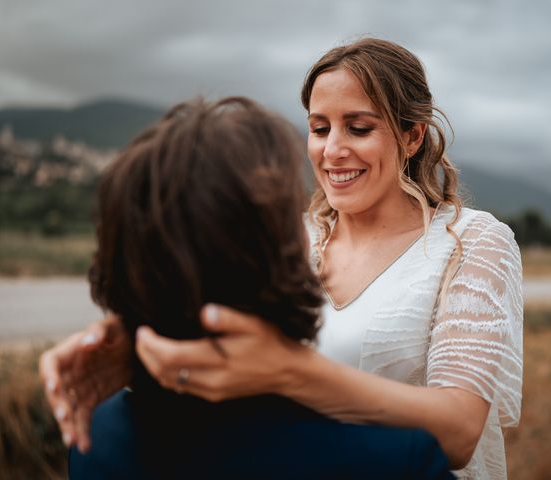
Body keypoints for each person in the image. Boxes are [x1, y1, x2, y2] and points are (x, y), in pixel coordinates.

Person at [41, 38, 523, 479]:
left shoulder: (471, 242)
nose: (332, 150)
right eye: (319, 128)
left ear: (413, 137)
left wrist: (294, 371)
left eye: (358, 128)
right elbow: (217, 337)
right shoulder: (291, 234)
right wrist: (126, 342)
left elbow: (460, 432)